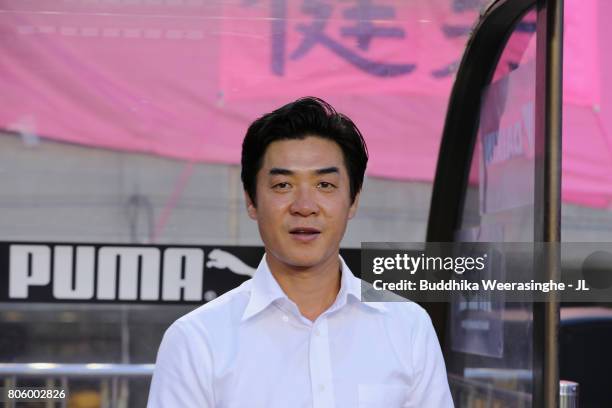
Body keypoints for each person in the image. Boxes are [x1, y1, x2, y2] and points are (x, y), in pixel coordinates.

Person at [147, 97, 453, 407]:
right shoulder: (196, 340)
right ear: (251, 201)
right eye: (282, 185)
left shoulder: (408, 327)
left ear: (354, 200)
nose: (304, 206)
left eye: (324, 184)